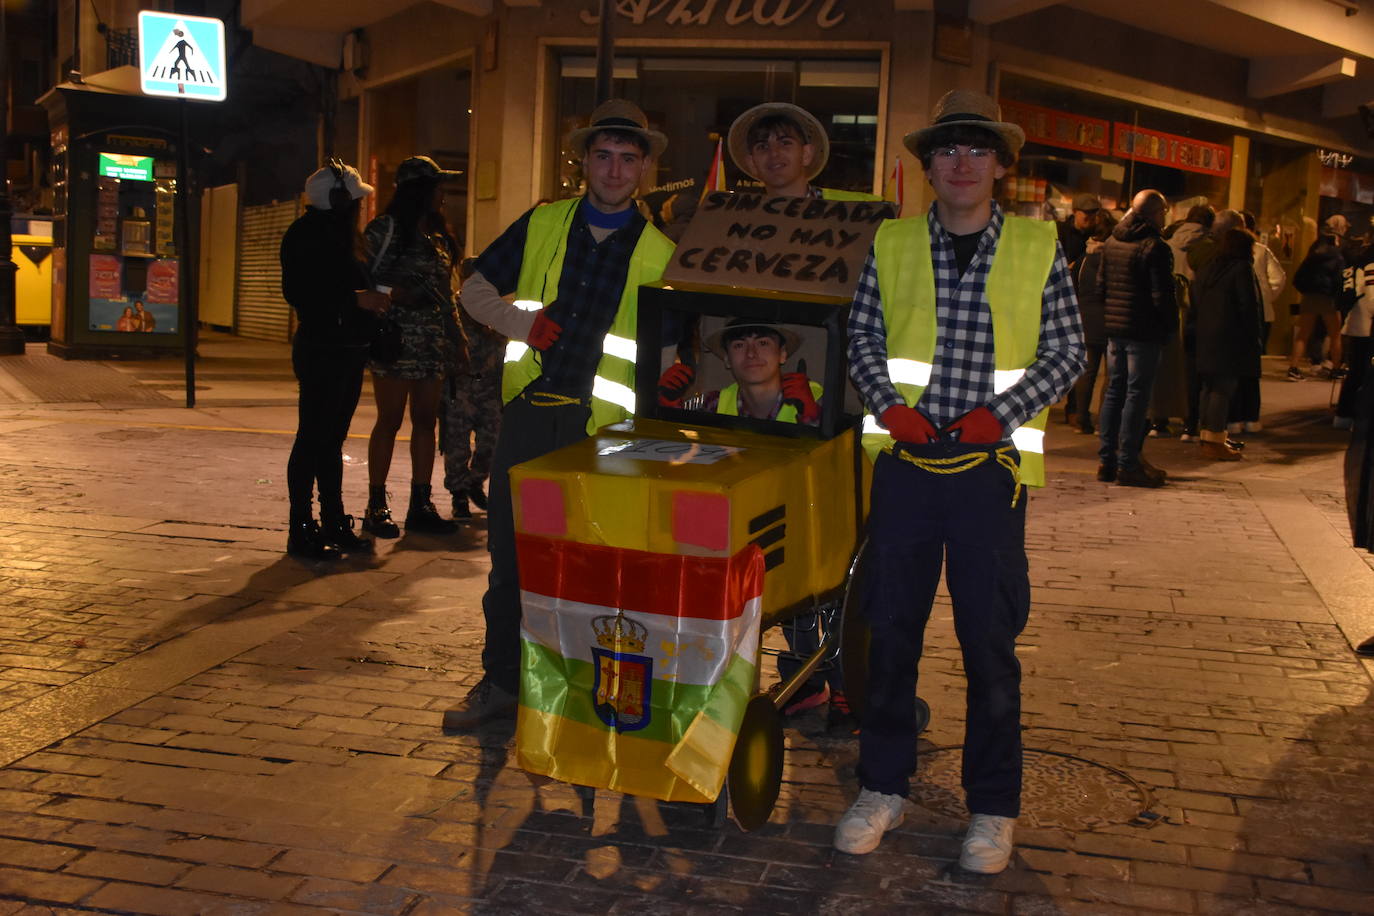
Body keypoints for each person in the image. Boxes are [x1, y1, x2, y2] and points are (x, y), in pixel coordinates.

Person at [838, 90, 1084, 870]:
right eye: (948, 150)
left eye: (978, 149)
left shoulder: (1041, 247)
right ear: (927, 166)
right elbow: (863, 335)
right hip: (908, 470)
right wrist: (889, 406)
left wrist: (1000, 415)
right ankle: (883, 785)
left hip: (990, 475)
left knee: (989, 644)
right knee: (889, 637)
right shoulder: (894, 242)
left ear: (1002, 165)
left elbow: (1067, 351)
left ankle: (993, 810)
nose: (962, 162)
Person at [444, 99, 675, 730]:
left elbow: (672, 349)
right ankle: (501, 682)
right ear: (585, 160)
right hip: (528, 416)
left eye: (629, 158)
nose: (615, 168)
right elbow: (473, 286)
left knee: (593, 569)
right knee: (511, 560)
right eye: (604, 155)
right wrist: (521, 320)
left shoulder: (661, 252)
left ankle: (576, 691)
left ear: (645, 169)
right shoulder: (545, 222)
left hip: (601, 432)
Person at [279, 159, 391, 559]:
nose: (360, 206)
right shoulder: (306, 234)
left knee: (331, 440)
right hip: (322, 348)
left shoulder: (345, 237)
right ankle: (301, 527)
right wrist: (356, 299)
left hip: (347, 349)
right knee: (313, 438)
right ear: (338, 199)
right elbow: (298, 293)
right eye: (355, 199)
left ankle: (332, 520)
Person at [361, 156, 467, 539]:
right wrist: (401, 293)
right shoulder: (384, 230)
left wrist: (458, 338)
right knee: (389, 420)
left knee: (427, 421)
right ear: (418, 190)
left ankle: (421, 504)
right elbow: (364, 280)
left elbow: (447, 294)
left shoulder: (438, 236)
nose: (443, 195)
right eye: (438, 187)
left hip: (432, 344)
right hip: (395, 341)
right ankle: (376, 506)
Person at [1096, 189, 1177, 488]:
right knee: (1136, 394)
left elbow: (1101, 285)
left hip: (1115, 329)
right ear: (1154, 213)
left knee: (1114, 391)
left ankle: (1107, 460)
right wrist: (1170, 327)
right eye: (1163, 212)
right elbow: (1162, 296)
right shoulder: (1154, 246)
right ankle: (1128, 462)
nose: (1165, 217)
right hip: (1143, 332)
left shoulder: (1112, 241)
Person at [1191, 227, 1264, 461]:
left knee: (1208, 388)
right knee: (1222, 389)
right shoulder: (1241, 269)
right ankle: (1214, 441)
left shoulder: (1208, 268)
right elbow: (1248, 307)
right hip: (1230, 339)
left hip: (1205, 336)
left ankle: (1207, 437)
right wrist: (1254, 338)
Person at [441, 258, 504, 519]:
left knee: (491, 442)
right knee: (457, 445)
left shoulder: (495, 309)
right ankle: (458, 495)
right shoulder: (452, 309)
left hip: (489, 387)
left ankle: (475, 483)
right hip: (461, 386)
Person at [727, 102, 881, 201]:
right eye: (762, 146)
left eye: (785, 143)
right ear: (752, 163)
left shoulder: (855, 213)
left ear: (806, 154)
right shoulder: (737, 223)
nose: (774, 153)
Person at [1229, 210, 1286, 435]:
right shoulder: (1261, 252)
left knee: (1235, 367)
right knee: (1251, 367)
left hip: (1237, 318)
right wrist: (1265, 298)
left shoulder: (1227, 255)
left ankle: (1235, 417)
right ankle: (1250, 416)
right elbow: (1279, 278)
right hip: (1260, 317)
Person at [1068, 209, 1116, 435]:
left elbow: (1075, 289)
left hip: (1085, 320)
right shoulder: (1112, 261)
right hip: (1109, 320)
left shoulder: (1083, 260)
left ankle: (1081, 418)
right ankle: (1104, 422)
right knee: (1111, 374)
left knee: (1087, 372)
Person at [1289, 214, 1348, 381]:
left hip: (1310, 295)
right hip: (1328, 297)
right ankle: (1336, 368)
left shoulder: (1315, 247)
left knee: (1303, 333)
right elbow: (1338, 276)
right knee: (1335, 333)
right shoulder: (1338, 250)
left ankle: (1293, 367)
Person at [1056, 192, 1100, 274]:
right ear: (1074, 211)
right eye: (1087, 212)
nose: (1091, 216)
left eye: (1094, 212)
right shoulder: (1060, 231)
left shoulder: (1098, 233)